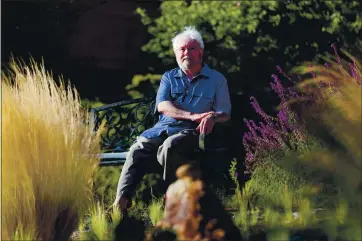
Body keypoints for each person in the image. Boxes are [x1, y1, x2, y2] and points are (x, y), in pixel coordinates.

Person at [114, 26, 231, 211]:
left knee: (170, 146)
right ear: (176, 54)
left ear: (200, 51)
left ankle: (171, 201)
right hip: (162, 129)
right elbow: (163, 106)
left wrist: (212, 118)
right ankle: (121, 202)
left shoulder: (217, 79)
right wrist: (192, 115)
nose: (186, 53)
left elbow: (224, 112)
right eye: (181, 49)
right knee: (137, 149)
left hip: (192, 132)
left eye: (191, 48)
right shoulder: (169, 77)